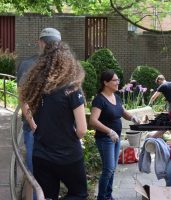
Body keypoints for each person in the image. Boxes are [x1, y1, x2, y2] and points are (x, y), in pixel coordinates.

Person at [19, 27, 88, 199]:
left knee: (47, 195)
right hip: (68, 155)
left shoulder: (35, 83)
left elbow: (24, 103)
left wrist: (34, 126)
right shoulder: (72, 86)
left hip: (41, 154)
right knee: (78, 193)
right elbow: (82, 130)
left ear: (41, 43)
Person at [89, 69, 140, 200]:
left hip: (116, 138)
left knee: (112, 169)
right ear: (106, 82)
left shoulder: (116, 97)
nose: (118, 82)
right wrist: (109, 131)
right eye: (115, 80)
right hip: (105, 138)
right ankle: (102, 197)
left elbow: (123, 112)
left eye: (118, 80)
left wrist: (133, 117)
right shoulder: (99, 100)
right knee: (108, 169)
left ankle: (108, 195)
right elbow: (93, 121)